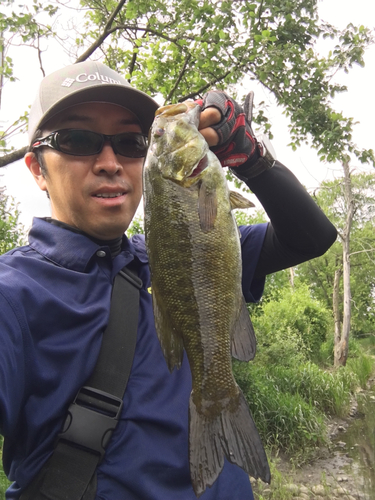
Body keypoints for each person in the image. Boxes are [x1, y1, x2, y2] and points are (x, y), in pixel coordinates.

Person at [0, 60, 337, 500]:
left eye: (130, 142)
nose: (109, 162)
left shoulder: (170, 250)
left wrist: (253, 160)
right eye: (78, 140)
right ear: (37, 170)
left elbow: (311, 238)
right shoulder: (12, 294)